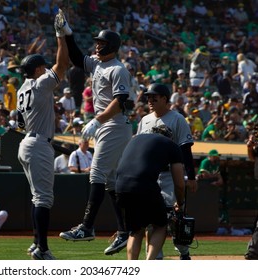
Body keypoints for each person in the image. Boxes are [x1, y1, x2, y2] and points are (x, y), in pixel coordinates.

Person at [56, 11, 135, 255]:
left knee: (97, 173)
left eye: (100, 42)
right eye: (97, 42)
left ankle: (88, 227)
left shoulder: (117, 69)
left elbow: (121, 100)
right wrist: (67, 34)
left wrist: (97, 120)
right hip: (107, 125)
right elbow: (78, 58)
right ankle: (124, 231)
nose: (96, 45)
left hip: (114, 124)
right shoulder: (99, 63)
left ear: (110, 46)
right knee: (111, 181)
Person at [16, 11, 69, 260]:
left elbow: (17, 122)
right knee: (44, 198)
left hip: (27, 141)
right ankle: (43, 249)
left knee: (37, 196)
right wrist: (61, 37)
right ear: (37, 69)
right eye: (43, 67)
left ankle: (37, 242)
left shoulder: (21, 89)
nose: (46, 69)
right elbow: (63, 65)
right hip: (37, 143)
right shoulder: (39, 84)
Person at [136, 83, 198, 260]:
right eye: (148, 97)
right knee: (150, 220)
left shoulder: (177, 119)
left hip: (170, 176)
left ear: (164, 98)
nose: (150, 100)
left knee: (175, 219)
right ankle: (156, 257)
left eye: (154, 97)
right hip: (150, 177)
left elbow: (186, 150)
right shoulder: (144, 120)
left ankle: (184, 252)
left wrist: (191, 177)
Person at [115, 125, 185, 260]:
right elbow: (180, 184)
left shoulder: (135, 139)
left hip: (121, 186)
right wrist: (180, 202)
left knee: (136, 231)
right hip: (144, 185)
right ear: (170, 137)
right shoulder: (171, 145)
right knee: (160, 225)